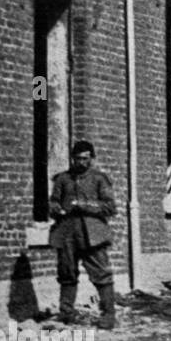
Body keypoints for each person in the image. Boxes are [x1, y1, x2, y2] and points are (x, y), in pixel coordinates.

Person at [49, 140, 118, 329]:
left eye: (86, 159)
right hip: (67, 233)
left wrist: (84, 205)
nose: (81, 162)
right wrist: (55, 208)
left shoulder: (99, 179)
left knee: (101, 274)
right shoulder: (62, 179)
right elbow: (53, 201)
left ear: (92, 159)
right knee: (66, 273)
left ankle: (108, 315)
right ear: (72, 159)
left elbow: (110, 207)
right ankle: (66, 313)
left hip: (92, 234)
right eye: (78, 158)